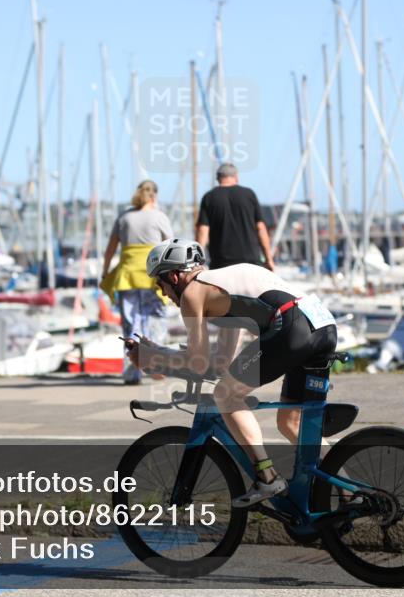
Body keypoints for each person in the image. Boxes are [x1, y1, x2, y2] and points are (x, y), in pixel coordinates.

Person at [128, 238, 338, 507]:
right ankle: (348, 492)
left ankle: (267, 476)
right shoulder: (221, 288)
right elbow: (220, 362)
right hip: (321, 325)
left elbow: (197, 363)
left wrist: (150, 359)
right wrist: (158, 353)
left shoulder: (193, 293)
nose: (164, 293)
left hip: (293, 328)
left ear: (175, 276)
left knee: (225, 395)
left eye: (161, 284)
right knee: (291, 423)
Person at [100, 180, 174, 385]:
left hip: (128, 277)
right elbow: (171, 247)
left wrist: (105, 273)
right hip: (153, 278)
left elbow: (110, 249)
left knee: (132, 324)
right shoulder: (159, 217)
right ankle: (156, 364)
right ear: (154, 196)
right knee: (155, 321)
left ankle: (132, 372)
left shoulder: (124, 218)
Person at [195, 163, 275, 271]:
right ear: (236, 177)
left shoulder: (209, 197)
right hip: (251, 263)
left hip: (221, 264)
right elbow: (261, 228)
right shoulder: (249, 194)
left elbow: (202, 231)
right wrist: (269, 259)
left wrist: (197, 262)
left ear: (218, 178)